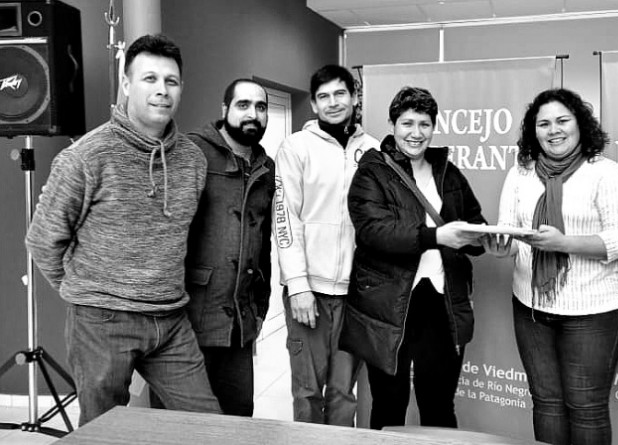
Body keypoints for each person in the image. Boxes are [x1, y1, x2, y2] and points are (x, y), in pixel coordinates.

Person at [25, 34, 221, 425]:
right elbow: (43, 240)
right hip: (102, 323)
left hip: (170, 319)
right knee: (103, 430)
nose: (162, 90)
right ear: (127, 85)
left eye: (171, 81)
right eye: (150, 79)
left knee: (209, 425)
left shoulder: (194, 161)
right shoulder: (85, 157)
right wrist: (89, 295)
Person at [482, 88, 618, 445]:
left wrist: (564, 243)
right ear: (533, 131)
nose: (554, 130)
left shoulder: (605, 173)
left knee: (586, 408)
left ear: (580, 124)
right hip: (531, 307)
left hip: (594, 312)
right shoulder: (520, 173)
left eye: (563, 120)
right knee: (547, 404)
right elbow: (512, 232)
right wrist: (501, 246)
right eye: (544, 124)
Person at [340, 86, 487, 430]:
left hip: (442, 302)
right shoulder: (373, 171)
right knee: (389, 404)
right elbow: (373, 231)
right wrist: (436, 237)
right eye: (407, 123)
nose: (416, 133)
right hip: (389, 306)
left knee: (439, 404)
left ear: (433, 127)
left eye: (424, 124)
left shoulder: (447, 172)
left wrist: (484, 239)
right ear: (392, 125)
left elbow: (473, 221)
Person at [272, 64, 379, 425]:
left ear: (354, 97)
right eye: (323, 97)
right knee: (307, 392)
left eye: (340, 93)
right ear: (315, 105)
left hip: (355, 295)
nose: (333, 102)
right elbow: (285, 219)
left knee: (343, 392)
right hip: (310, 294)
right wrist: (298, 285)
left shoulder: (374, 151)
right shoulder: (295, 147)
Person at [182, 78, 275, 416]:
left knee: (238, 417)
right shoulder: (192, 151)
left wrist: (260, 306)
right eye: (243, 105)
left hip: (239, 324)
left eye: (261, 107)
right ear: (225, 109)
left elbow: (263, 244)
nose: (253, 114)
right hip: (191, 320)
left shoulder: (266, 166)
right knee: (183, 424)